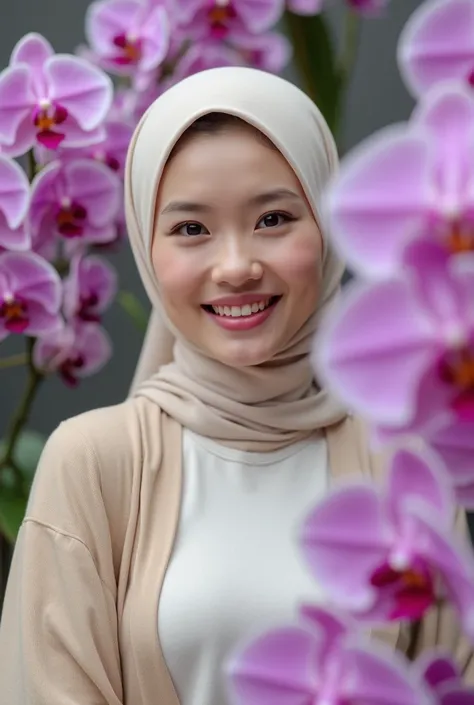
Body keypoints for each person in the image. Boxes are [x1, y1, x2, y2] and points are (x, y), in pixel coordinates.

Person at [0, 66, 472, 705]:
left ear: (329, 228)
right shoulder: (93, 465)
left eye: (274, 218)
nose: (236, 266)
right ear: (145, 242)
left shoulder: (404, 464)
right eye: (191, 229)